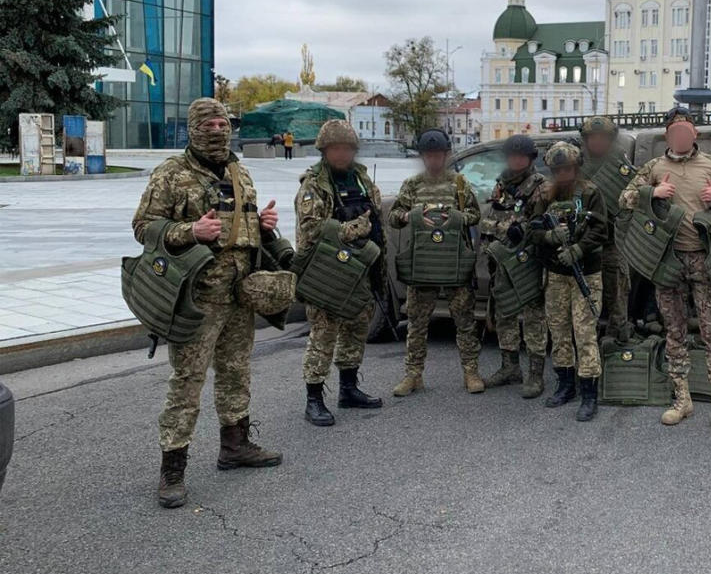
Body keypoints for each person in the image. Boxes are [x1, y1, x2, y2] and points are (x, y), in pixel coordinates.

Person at [133, 98, 283, 509]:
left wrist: (263, 225)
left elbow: (242, 227)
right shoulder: (172, 173)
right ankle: (172, 469)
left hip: (239, 295)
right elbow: (143, 227)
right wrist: (189, 231)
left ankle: (234, 446)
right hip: (196, 299)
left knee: (236, 372)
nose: (218, 129)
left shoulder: (240, 172)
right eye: (209, 123)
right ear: (194, 128)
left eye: (223, 122)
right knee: (188, 382)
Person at [618, 108, 711, 434]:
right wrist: (653, 193)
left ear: (694, 135)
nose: (681, 137)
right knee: (674, 331)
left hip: (705, 259)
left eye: (686, 131)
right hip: (668, 260)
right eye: (675, 131)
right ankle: (682, 400)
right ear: (668, 136)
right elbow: (625, 198)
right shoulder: (654, 168)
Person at [294, 119, 384, 427]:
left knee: (357, 328)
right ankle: (314, 399)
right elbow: (310, 231)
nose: (343, 154)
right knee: (323, 335)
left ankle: (348, 388)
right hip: (327, 272)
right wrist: (351, 229)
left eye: (348, 148)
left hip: (360, 269)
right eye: (336, 149)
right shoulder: (314, 186)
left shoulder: (360, 179)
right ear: (324, 150)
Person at [388, 128, 484, 395]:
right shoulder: (413, 185)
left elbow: (474, 216)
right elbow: (394, 216)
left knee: (464, 321)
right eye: (429, 155)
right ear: (423, 156)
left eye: (438, 155)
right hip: (423, 263)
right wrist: (411, 216)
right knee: (417, 323)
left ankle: (471, 372)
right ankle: (413, 375)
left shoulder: (460, 184)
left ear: (446, 155)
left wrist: (455, 218)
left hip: (453, 263)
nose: (434, 160)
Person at [527, 141, 608, 421]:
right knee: (559, 331)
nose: (563, 173)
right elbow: (534, 229)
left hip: (585, 271)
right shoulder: (544, 194)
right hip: (556, 274)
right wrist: (549, 238)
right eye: (557, 169)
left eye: (568, 168)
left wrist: (578, 248)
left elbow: (600, 229)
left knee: (584, 333)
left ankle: (589, 394)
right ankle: (565, 385)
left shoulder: (590, 192)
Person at [480, 134, 549, 397]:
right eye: (512, 156)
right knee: (504, 313)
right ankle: (510, 367)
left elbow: (543, 227)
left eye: (521, 156)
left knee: (534, 318)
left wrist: (525, 232)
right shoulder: (502, 183)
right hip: (500, 261)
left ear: (530, 159)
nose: (516, 160)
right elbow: (492, 217)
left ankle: (535, 374)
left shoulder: (539, 187)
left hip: (526, 263)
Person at [578, 116, 635, 341]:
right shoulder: (576, 166)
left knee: (617, 296)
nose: (597, 142)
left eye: (603, 138)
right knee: (584, 301)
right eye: (593, 138)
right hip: (584, 244)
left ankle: (616, 345)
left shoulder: (620, 167)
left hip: (613, 242)